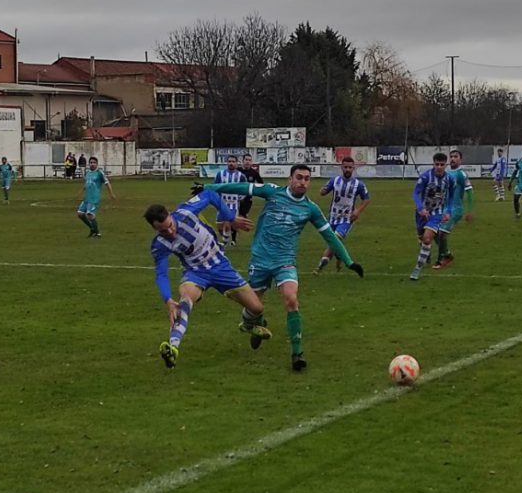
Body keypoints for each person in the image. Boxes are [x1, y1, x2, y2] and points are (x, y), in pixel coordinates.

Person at [201, 164, 364, 371]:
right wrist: (209, 187)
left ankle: (297, 354)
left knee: (291, 299)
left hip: (284, 261)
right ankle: (255, 324)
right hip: (260, 259)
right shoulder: (272, 192)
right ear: (290, 179)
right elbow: (242, 188)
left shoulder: (310, 209)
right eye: (299, 177)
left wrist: (349, 261)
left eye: (307, 178)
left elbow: (329, 236)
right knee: (253, 307)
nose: (302, 182)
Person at [145, 190, 272, 369]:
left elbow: (211, 194)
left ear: (170, 215)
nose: (171, 232)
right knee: (184, 302)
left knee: (257, 308)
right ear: (155, 229)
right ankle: (173, 348)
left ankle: (248, 325)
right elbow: (161, 274)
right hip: (196, 273)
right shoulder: (159, 245)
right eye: (163, 231)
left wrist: (231, 218)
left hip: (221, 266)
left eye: (170, 226)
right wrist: (167, 300)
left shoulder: (187, 212)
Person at [314, 156, 370, 274]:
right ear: (342, 167)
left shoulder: (358, 184)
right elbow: (323, 191)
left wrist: (358, 211)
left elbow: (366, 199)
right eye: (345, 167)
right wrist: (323, 191)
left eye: (350, 167)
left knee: (335, 239)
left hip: (347, 219)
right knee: (335, 242)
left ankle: (320, 266)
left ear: (353, 168)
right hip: (333, 217)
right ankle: (339, 258)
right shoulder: (334, 181)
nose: (348, 169)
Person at [410, 152, 454, 281]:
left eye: (442, 164)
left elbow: (451, 196)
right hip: (421, 213)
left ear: (446, 165)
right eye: (437, 164)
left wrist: (448, 211)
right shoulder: (425, 177)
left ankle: (417, 269)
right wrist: (420, 208)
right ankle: (431, 253)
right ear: (433, 164)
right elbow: (415, 193)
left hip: (437, 213)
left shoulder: (450, 179)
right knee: (422, 238)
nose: (439, 167)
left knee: (427, 238)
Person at [433, 149, 473, 269]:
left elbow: (470, 192)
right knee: (434, 231)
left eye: (455, 157)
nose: (453, 159)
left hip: (456, 209)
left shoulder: (461, 174)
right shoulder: (446, 173)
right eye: (451, 156)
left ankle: (440, 260)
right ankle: (448, 254)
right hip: (444, 208)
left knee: (442, 233)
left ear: (460, 160)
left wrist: (469, 210)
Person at [76, 156, 116, 237]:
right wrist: (81, 192)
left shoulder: (99, 173)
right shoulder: (88, 173)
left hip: (94, 198)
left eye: (94, 163)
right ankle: (92, 229)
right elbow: (87, 184)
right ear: (89, 164)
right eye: (91, 163)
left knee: (90, 215)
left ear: (97, 164)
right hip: (87, 198)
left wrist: (111, 194)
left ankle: (97, 233)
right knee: (80, 214)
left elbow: (107, 183)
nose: (92, 164)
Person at [213, 155, 247, 246]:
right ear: (227, 163)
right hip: (222, 202)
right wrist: (216, 198)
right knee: (219, 225)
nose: (231, 163)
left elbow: (245, 188)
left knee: (228, 222)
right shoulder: (220, 174)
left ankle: (224, 242)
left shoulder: (241, 176)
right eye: (229, 161)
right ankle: (226, 237)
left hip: (233, 204)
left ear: (236, 163)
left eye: (233, 161)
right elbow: (215, 187)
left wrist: (240, 197)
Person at [238, 153, 264, 219]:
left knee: (242, 217)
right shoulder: (237, 171)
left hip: (247, 199)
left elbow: (261, 184)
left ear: (251, 162)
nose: (248, 162)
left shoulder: (254, 173)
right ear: (243, 161)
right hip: (236, 198)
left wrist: (255, 189)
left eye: (249, 160)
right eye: (246, 160)